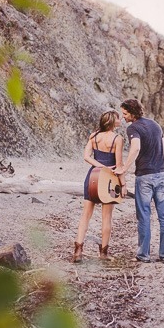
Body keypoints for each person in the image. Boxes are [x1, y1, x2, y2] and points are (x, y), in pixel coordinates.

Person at [114, 98, 164, 264]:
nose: (123, 117)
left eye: (125, 114)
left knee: (144, 216)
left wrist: (124, 168)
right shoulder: (155, 124)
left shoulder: (134, 128)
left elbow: (136, 147)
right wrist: (161, 168)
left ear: (133, 113)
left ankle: (143, 255)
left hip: (144, 177)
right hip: (161, 175)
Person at [73, 110, 124, 262]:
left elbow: (86, 156)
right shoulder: (117, 138)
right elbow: (119, 165)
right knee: (106, 217)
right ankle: (103, 254)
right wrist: (123, 184)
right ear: (113, 121)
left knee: (85, 215)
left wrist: (99, 166)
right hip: (109, 179)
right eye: (118, 118)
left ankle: (78, 251)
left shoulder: (94, 136)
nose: (120, 120)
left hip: (92, 176)